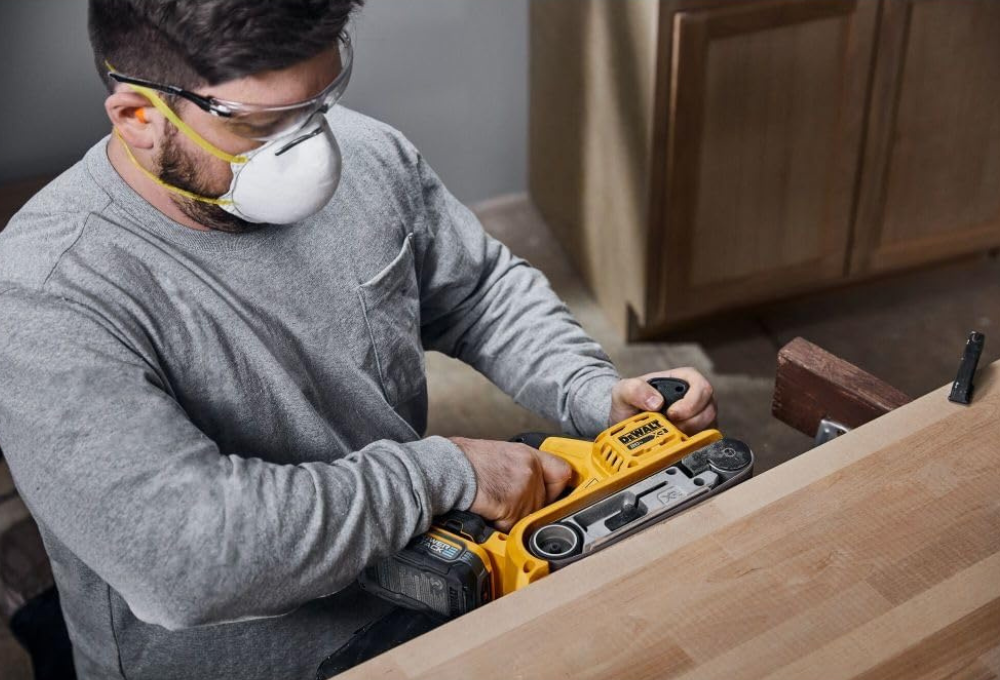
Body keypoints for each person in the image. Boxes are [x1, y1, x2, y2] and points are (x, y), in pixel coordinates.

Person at [0, 1, 718, 678]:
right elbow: (187, 561)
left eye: (319, 100)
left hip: (436, 562)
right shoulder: (45, 291)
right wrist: (442, 473)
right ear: (138, 117)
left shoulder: (368, 155)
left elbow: (478, 292)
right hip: (260, 656)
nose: (310, 148)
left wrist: (589, 390)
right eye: (263, 124)